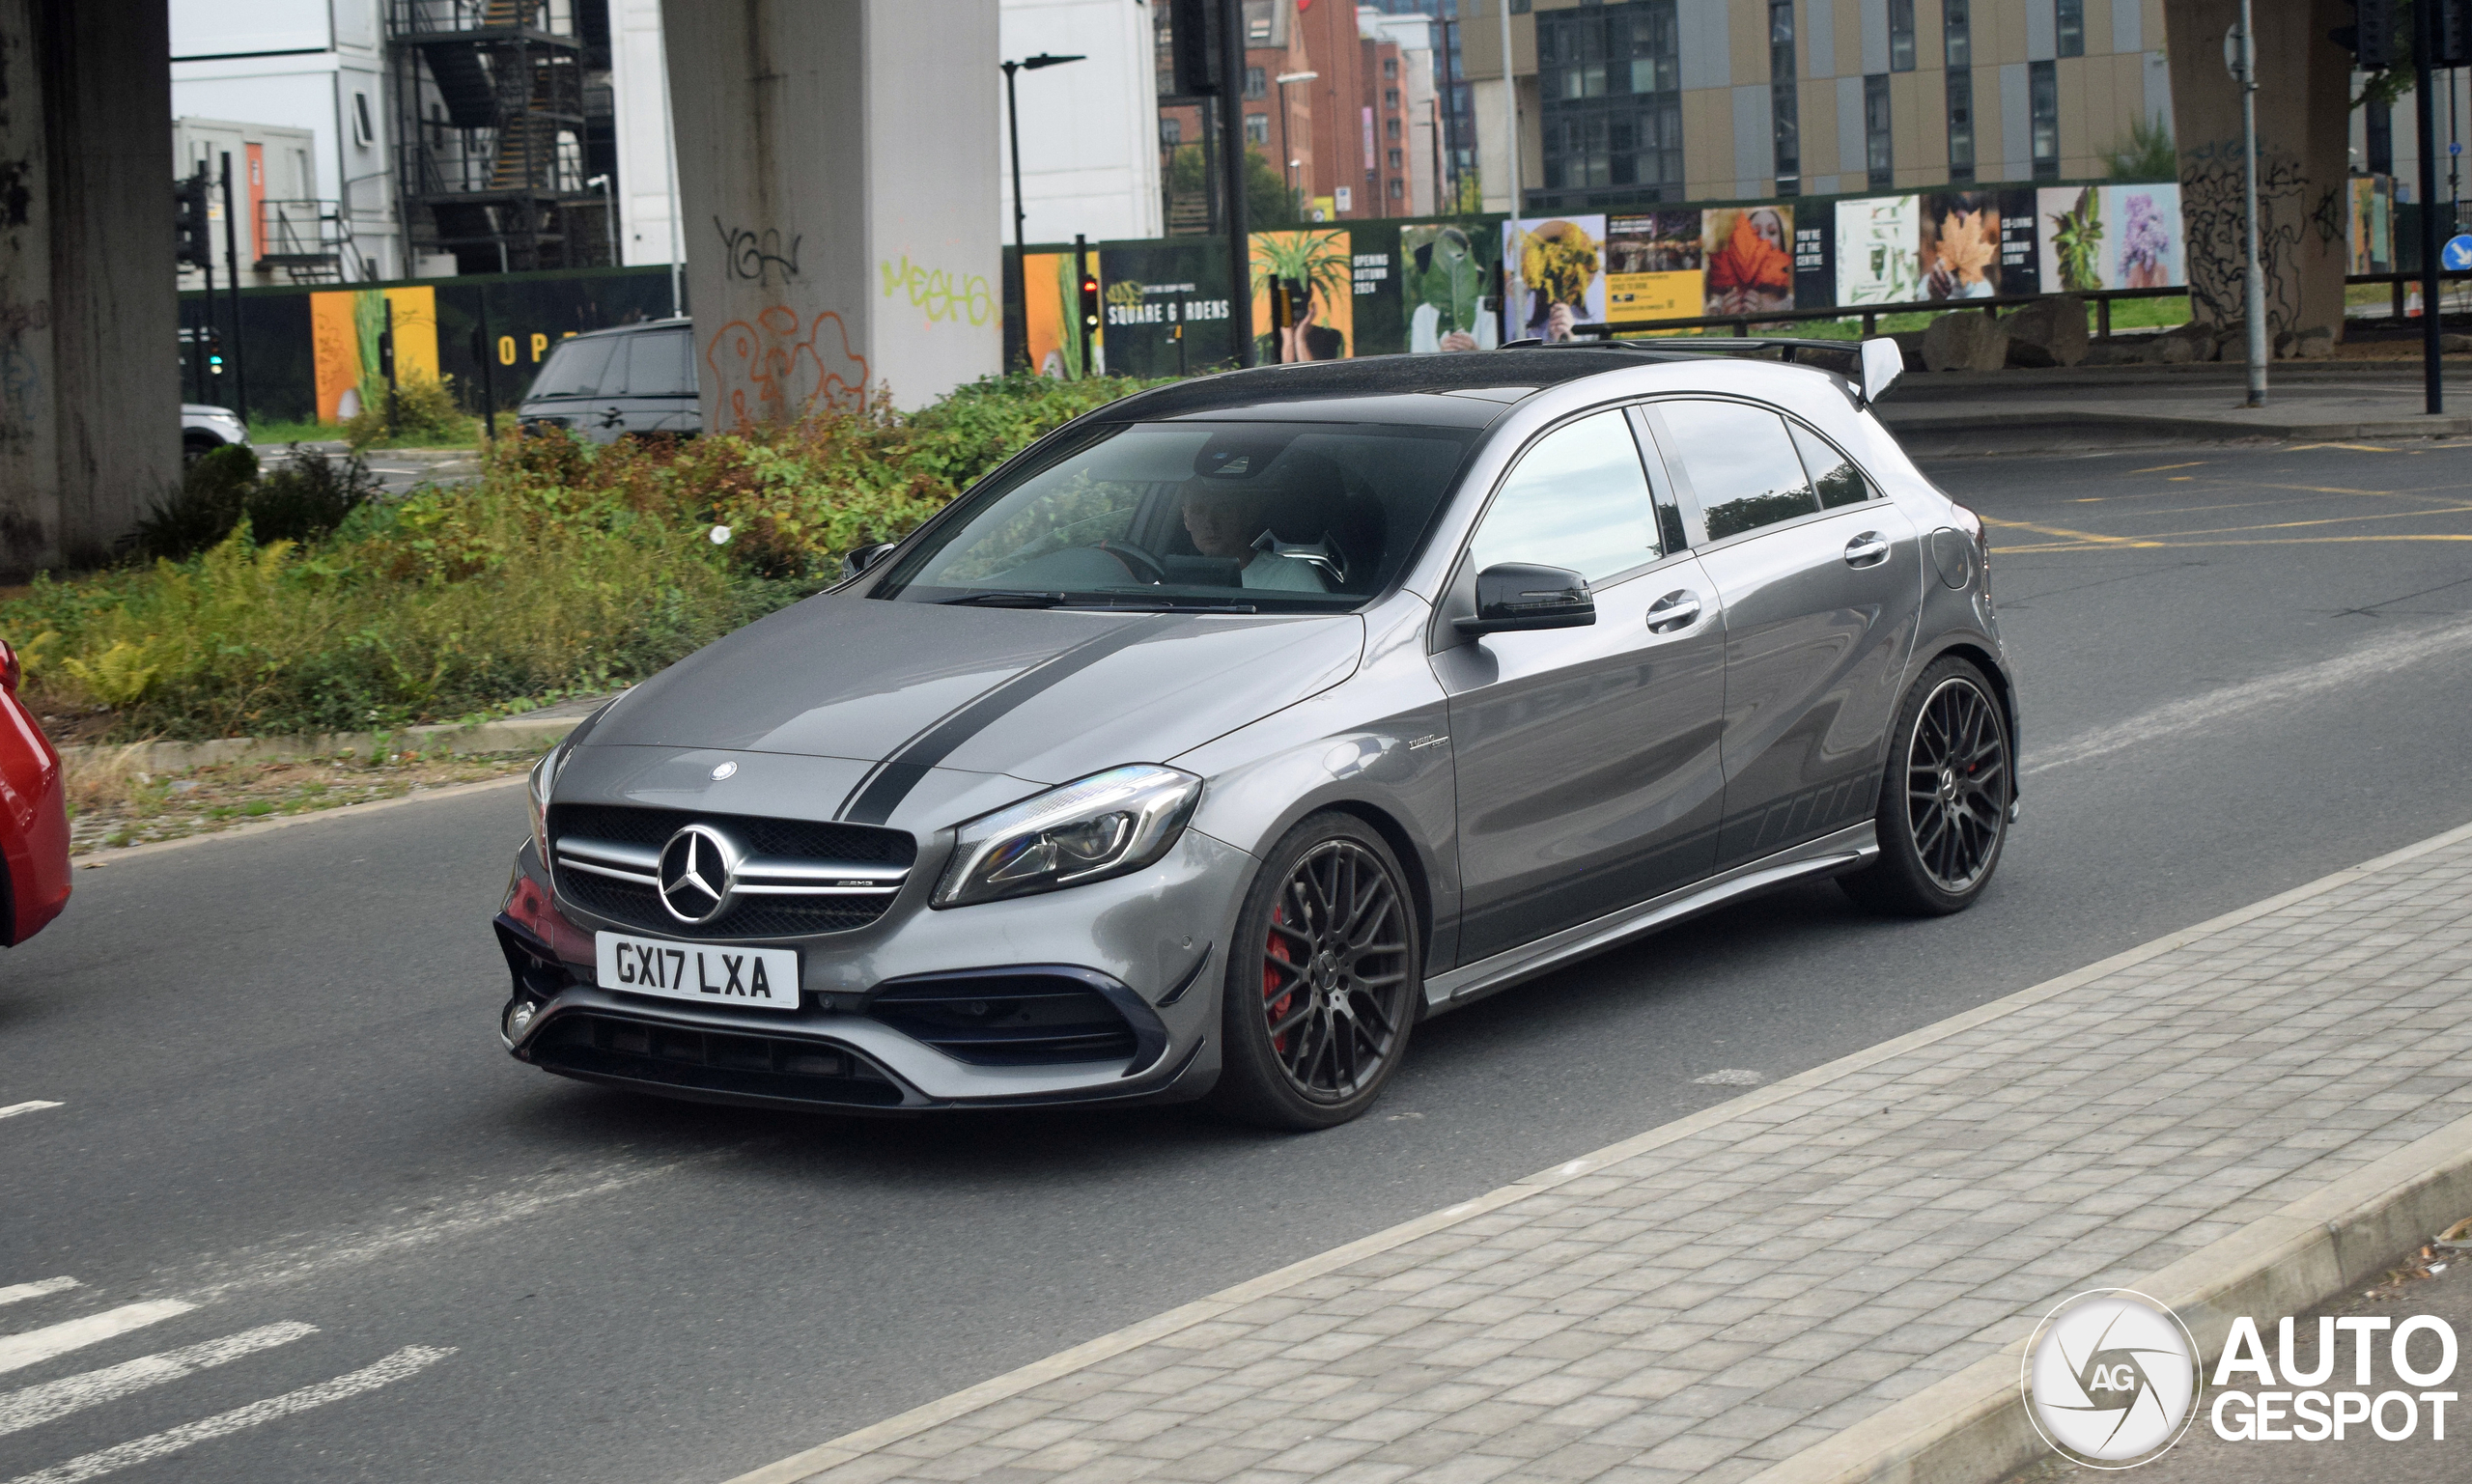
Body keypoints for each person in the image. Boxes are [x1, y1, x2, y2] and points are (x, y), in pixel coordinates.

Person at [1179, 462, 1339, 592]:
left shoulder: (1291, 576)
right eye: (1198, 511)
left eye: (1223, 508)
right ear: (1186, 519)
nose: (1209, 522)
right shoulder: (1173, 582)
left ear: (1247, 515)